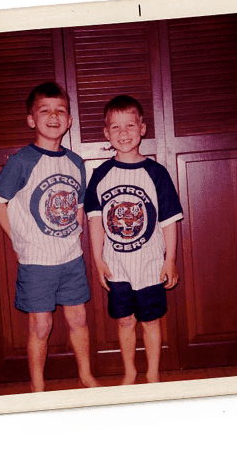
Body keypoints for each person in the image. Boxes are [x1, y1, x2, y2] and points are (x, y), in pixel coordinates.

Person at [0, 82, 99, 392]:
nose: (53, 116)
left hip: (71, 259)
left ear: (69, 120)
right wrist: (17, 238)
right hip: (37, 261)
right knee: (41, 325)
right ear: (31, 119)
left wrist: (74, 236)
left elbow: (78, 206)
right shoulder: (22, 160)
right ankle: (38, 387)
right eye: (45, 110)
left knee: (79, 320)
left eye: (60, 111)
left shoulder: (76, 162)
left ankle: (85, 375)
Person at [84, 95, 184, 385]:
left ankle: (153, 373)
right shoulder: (101, 175)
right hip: (117, 266)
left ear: (142, 128)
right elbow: (95, 221)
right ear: (106, 133)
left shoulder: (156, 173)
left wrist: (171, 260)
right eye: (115, 127)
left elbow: (169, 221)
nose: (123, 132)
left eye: (130, 125)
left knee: (151, 320)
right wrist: (98, 259)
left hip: (151, 264)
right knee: (125, 320)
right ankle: (130, 371)